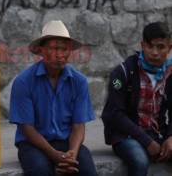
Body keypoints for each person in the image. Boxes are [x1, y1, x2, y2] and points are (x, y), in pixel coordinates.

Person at [9, 20, 97, 176]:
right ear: (42, 51)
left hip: (66, 142)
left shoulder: (79, 81)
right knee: (41, 170)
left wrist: (72, 154)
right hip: (32, 145)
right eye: (54, 48)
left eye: (64, 49)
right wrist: (54, 155)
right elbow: (27, 128)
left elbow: (78, 126)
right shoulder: (24, 81)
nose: (60, 55)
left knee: (88, 170)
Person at [102, 21, 172, 176]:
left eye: (161, 47)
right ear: (142, 45)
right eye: (150, 46)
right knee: (140, 160)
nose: (154, 52)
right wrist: (147, 142)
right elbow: (114, 114)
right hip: (126, 135)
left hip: (157, 132)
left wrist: (171, 137)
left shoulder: (170, 73)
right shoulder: (122, 73)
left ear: (169, 48)